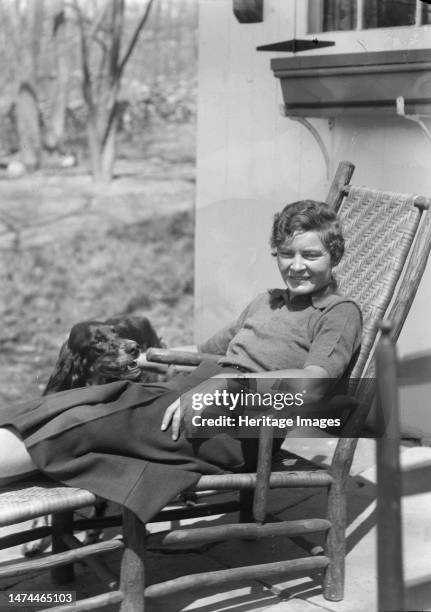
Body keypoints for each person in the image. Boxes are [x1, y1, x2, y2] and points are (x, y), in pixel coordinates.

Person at [0, 200, 362, 523]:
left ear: (335, 255)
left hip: (241, 424)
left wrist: (227, 384)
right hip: (190, 394)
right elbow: (205, 348)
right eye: (286, 254)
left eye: (310, 255)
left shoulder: (337, 313)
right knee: (67, 401)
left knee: (85, 422)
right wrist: (144, 355)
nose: (296, 266)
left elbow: (316, 383)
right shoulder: (267, 301)